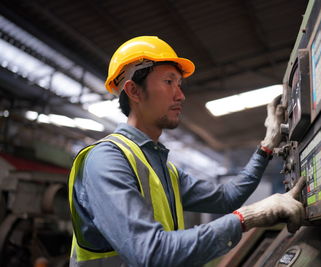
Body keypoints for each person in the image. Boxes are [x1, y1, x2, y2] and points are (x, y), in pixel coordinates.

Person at [68, 36, 305, 267]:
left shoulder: (164, 169)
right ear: (134, 91)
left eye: (179, 84)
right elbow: (150, 253)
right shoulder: (106, 160)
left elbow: (226, 198)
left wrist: (266, 146)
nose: (180, 95)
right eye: (169, 82)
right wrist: (246, 217)